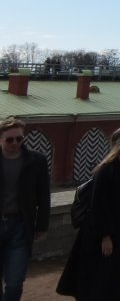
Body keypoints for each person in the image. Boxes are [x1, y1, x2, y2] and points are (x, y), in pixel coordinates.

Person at [57, 126, 120, 300]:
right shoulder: (106, 169)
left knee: (117, 277)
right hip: (104, 233)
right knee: (101, 279)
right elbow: (98, 204)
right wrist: (105, 236)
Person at [0, 117, 50, 301]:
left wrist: (42, 225)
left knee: (15, 281)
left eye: (19, 139)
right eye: (9, 139)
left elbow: (43, 194)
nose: (15, 143)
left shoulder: (36, 160)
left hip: (20, 225)